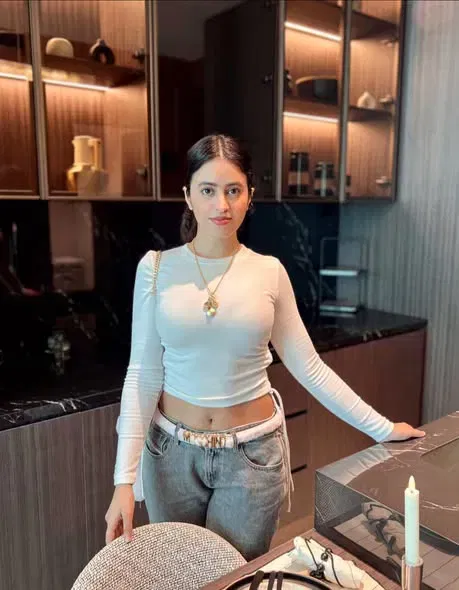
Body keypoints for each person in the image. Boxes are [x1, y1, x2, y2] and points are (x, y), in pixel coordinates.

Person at [105, 134, 425, 560]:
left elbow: (309, 367)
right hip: (170, 457)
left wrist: (382, 428)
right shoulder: (156, 268)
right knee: (179, 574)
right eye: (208, 190)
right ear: (187, 196)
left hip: (251, 459)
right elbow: (143, 375)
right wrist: (123, 481)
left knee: (238, 576)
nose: (221, 205)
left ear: (249, 196)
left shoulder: (268, 272)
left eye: (233, 190)